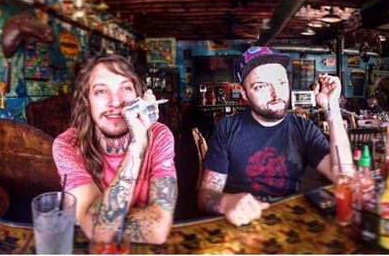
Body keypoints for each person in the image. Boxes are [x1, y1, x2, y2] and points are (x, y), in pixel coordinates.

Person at [197, 46, 354, 226]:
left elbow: (344, 175)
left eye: (280, 82)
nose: (276, 94)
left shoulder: (303, 128)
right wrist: (225, 202)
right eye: (261, 86)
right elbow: (205, 195)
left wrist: (331, 107)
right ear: (244, 94)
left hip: (287, 221)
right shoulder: (227, 128)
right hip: (239, 222)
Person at [52, 54, 177, 244]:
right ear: (87, 101)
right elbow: (97, 231)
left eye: (126, 88)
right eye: (101, 91)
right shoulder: (67, 145)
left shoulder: (160, 136)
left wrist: (98, 222)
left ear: (140, 96)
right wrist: (137, 148)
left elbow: (158, 229)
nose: (116, 102)